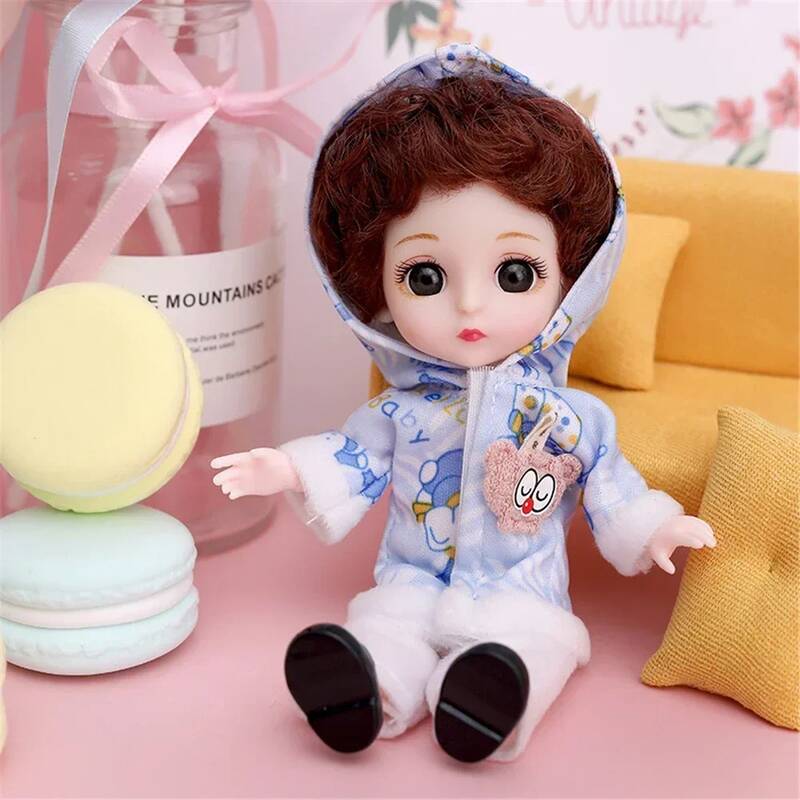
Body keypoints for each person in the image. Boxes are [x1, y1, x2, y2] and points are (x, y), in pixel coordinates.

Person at [211, 44, 715, 764]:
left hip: (523, 592)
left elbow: (612, 488)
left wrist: (655, 527)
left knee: (530, 647)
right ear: (375, 287)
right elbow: (352, 457)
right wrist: (288, 467)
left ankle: (489, 700)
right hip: (411, 581)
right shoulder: (400, 410)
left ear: (572, 278)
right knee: (389, 627)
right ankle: (368, 685)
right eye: (424, 277)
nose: (471, 306)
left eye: (515, 274)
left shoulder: (569, 420)